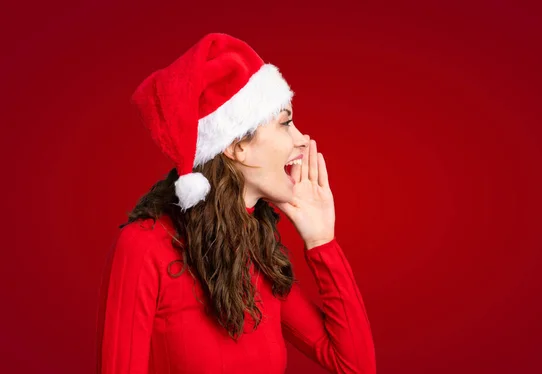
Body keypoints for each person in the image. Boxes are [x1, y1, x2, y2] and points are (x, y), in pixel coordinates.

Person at [96, 33, 376, 374]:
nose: (303, 140)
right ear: (236, 146)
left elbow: (355, 365)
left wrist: (322, 242)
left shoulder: (258, 249)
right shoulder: (143, 246)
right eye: (285, 123)